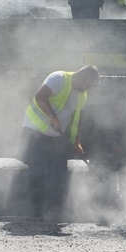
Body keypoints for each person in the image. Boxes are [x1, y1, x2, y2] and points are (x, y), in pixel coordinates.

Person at [21, 65, 100, 215]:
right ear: (83, 78)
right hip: (35, 131)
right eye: (88, 85)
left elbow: (75, 120)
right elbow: (40, 96)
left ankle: (54, 210)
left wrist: (76, 142)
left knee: (59, 172)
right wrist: (52, 117)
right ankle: (34, 211)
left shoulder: (82, 94)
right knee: (37, 171)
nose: (88, 89)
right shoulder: (59, 78)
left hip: (57, 135)